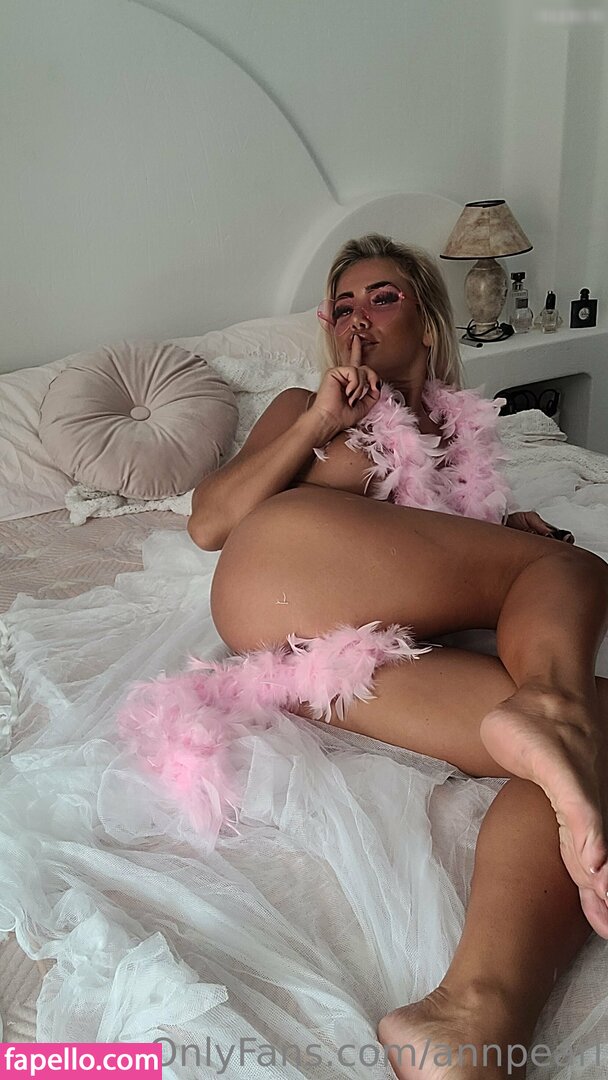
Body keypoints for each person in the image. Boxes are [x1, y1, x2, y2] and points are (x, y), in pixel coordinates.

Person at [187, 234, 608, 1078]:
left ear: (429, 321)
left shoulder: (458, 437)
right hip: (276, 574)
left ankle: (471, 1014)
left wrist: (497, 534)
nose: (359, 317)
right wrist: (321, 421)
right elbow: (209, 524)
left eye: (383, 298)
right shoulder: (303, 405)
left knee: (596, 730)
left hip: (331, 657)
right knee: (571, 570)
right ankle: (546, 705)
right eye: (342, 305)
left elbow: (424, 556)